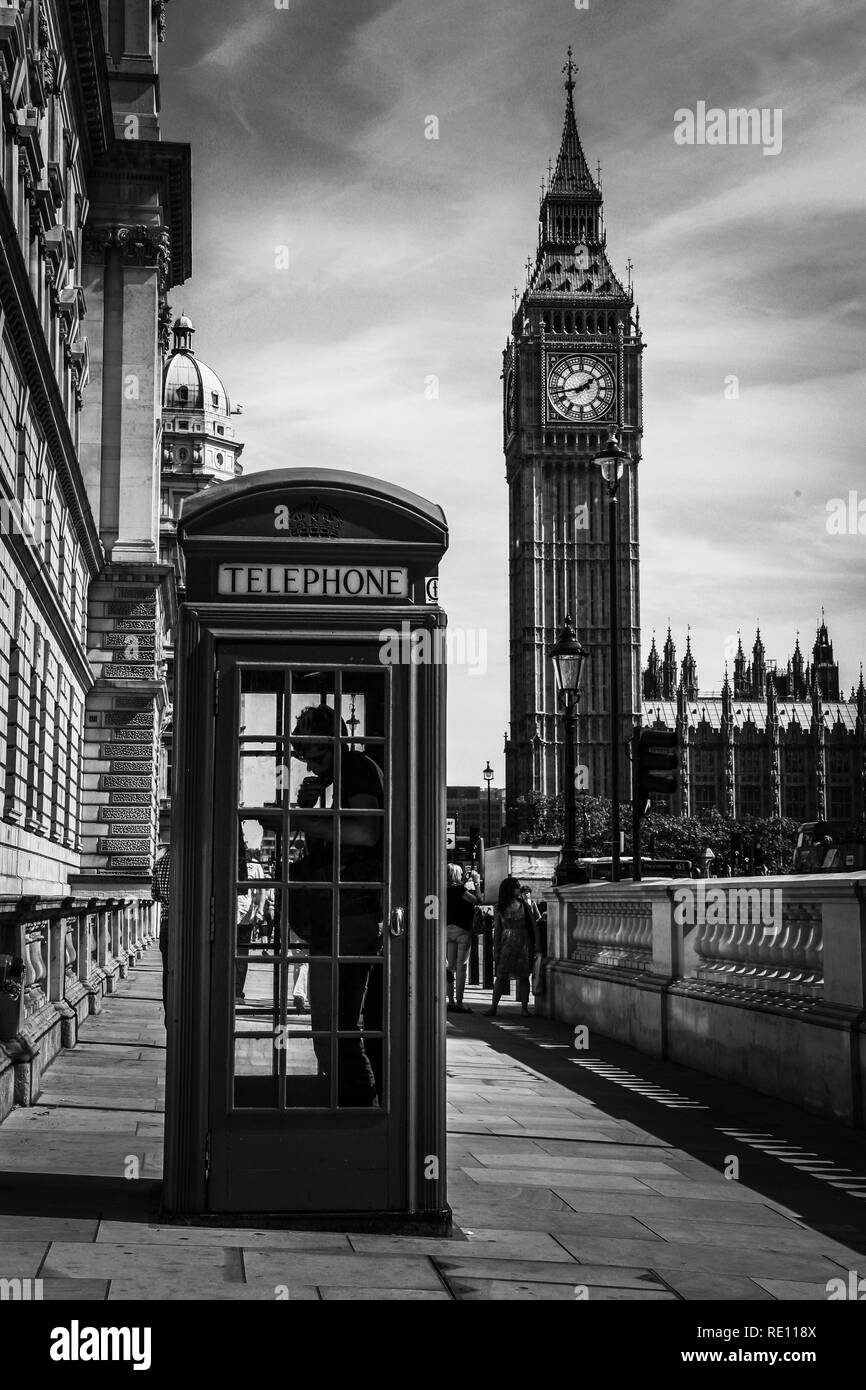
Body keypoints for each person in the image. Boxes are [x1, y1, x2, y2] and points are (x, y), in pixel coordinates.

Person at [290, 704, 384, 1105]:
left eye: (319, 755)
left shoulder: (359, 769)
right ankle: (345, 1105)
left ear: (339, 742)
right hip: (337, 915)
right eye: (306, 758)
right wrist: (308, 808)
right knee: (329, 1027)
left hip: (355, 915)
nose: (312, 765)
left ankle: (359, 1111)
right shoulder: (334, 780)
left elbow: (363, 831)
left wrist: (295, 819)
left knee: (338, 1028)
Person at [484, 876, 541, 1019]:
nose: (519, 888)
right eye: (517, 886)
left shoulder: (524, 904)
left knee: (523, 976)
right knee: (501, 976)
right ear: (509, 889)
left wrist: (537, 943)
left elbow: (533, 924)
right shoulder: (500, 906)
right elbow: (497, 929)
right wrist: (495, 948)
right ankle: (493, 1007)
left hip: (522, 942)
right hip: (507, 942)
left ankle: (524, 1008)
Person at [445, 865, 479, 1013]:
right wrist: (476, 882)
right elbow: (478, 900)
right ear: (456, 875)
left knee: (450, 967)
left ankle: (450, 1000)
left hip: (447, 930)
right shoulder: (460, 890)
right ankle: (459, 1002)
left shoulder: (442, 889)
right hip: (462, 931)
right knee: (461, 966)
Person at [151, 847, 171, 1013]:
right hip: (188, 922)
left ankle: (169, 1015)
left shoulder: (160, 862)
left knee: (168, 973)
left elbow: (155, 895)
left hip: (166, 921)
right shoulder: (189, 858)